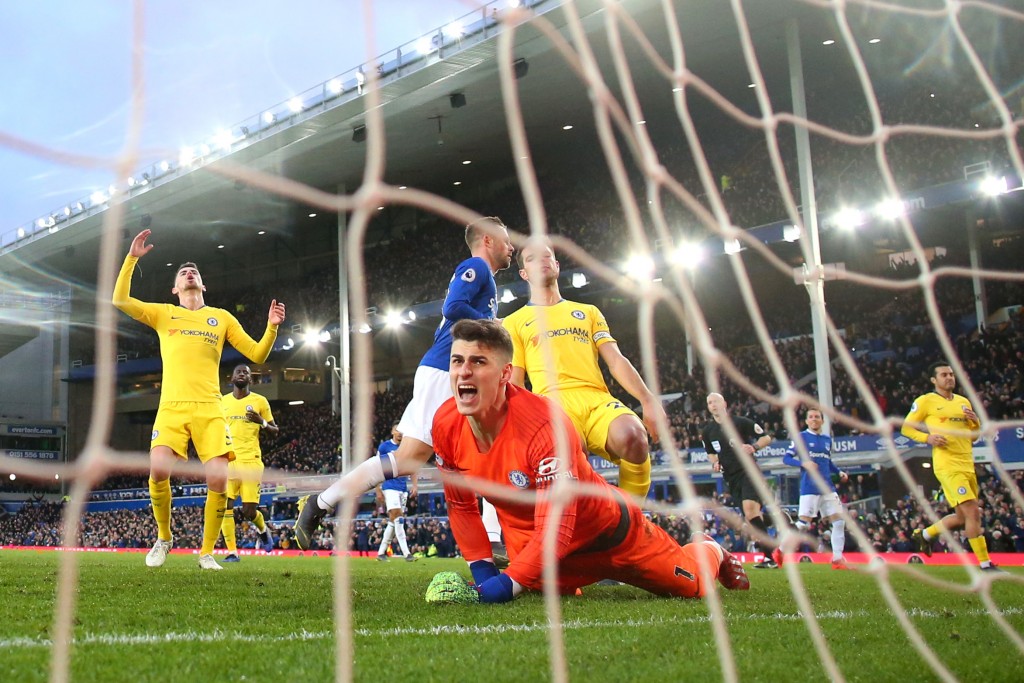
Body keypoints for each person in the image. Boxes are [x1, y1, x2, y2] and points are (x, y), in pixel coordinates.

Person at [432, 319, 748, 601]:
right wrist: (483, 572)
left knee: (692, 587)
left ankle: (710, 548)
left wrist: (505, 586)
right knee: (542, 594)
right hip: (533, 539)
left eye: (478, 361)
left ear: (504, 374)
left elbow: (558, 521)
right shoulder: (445, 424)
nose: (463, 372)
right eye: (457, 361)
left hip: (608, 535)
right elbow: (460, 505)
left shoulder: (545, 425)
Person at [294, 217, 514, 549]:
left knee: (411, 458)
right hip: (447, 371)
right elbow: (452, 307)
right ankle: (495, 540)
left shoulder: (485, 280)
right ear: (487, 239)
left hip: (453, 370)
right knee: (490, 444)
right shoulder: (476, 267)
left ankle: (319, 503)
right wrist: (491, 324)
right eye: (506, 239)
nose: (512, 246)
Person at [112, 229, 285, 570]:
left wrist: (272, 327)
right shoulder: (164, 314)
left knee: (219, 478)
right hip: (172, 407)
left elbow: (258, 354)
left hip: (209, 409)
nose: (189, 275)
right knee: (159, 470)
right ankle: (164, 537)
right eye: (183, 274)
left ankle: (206, 552)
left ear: (202, 285)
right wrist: (132, 258)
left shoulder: (221, 318)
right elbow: (120, 300)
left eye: (195, 273)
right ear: (175, 289)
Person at [501, 238, 667, 498]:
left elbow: (615, 359)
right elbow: (517, 383)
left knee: (634, 436)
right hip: (551, 405)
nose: (542, 261)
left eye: (547, 256)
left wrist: (647, 399)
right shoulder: (514, 322)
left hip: (596, 399)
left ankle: (633, 519)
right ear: (523, 274)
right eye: (532, 259)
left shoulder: (588, 312)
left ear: (556, 265)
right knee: (570, 455)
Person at [902, 362, 1002, 571]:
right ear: (934, 380)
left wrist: (975, 424)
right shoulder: (926, 401)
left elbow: (973, 438)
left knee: (961, 517)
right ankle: (985, 565)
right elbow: (906, 428)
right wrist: (928, 438)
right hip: (948, 465)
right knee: (973, 512)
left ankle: (925, 534)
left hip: (967, 463)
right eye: (944, 375)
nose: (949, 378)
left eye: (951, 374)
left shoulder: (963, 401)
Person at [701, 393, 777, 568]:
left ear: (724, 403)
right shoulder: (708, 431)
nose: (712, 405)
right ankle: (777, 520)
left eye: (715, 401)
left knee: (750, 512)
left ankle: (769, 557)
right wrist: (715, 463)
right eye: (709, 402)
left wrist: (754, 447)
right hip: (731, 477)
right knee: (752, 518)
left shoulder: (741, 422)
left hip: (749, 471)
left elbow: (766, 437)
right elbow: (711, 453)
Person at [219, 364, 278, 562]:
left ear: (250, 379)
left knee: (248, 511)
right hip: (229, 462)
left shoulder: (259, 401)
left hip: (251, 462)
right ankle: (232, 552)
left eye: (246, 372)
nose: (242, 374)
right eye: (239, 372)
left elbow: (275, 431)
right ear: (232, 378)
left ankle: (263, 529)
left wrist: (261, 421)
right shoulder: (222, 402)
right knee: (225, 505)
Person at [781, 408, 849, 569]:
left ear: (822, 421)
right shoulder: (801, 437)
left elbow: (827, 461)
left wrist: (839, 472)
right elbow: (786, 458)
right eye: (810, 417)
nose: (814, 419)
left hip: (828, 488)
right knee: (803, 524)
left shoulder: (827, 440)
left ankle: (838, 559)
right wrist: (802, 463)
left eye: (817, 417)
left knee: (839, 522)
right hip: (810, 487)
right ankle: (780, 551)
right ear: (806, 421)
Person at [374, 422, 419, 562]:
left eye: (402, 430)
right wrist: (378, 489)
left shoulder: (406, 448)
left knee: (393, 522)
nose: (400, 433)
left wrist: (415, 485)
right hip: (390, 486)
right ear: (392, 431)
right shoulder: (384, 447)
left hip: (403, 488)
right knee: (399, 519)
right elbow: (375, 466)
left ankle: (381, 553)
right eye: (397, 430)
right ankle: (407, 554)